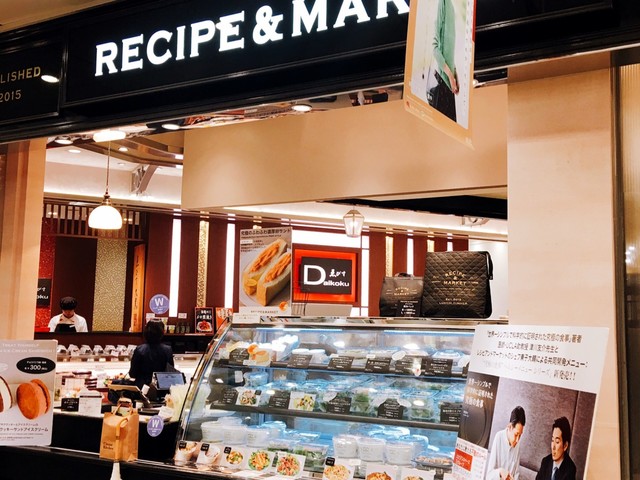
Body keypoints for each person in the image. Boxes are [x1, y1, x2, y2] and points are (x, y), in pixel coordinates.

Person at [428, 0, 459, 122]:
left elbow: (450, 49)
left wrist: (454, 74)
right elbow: (434, 48)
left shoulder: (451, 6)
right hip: (443, 80)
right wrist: (450, 76)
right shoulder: (442, 3)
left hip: (450, 84)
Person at [128, 320, 175, 389]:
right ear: (162, 332)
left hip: (142, 388)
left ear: (146, 332)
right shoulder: (168, 350)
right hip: (161, 388)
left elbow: (132, 374)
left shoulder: (139, 350)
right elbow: (170, 373)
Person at [486, 406, 527, 480]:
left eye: (520, 435)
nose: (517, 440)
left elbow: (516, 474)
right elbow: (489, 476)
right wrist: (500, 472)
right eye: (516, 434)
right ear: (510, 427)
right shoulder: (499, 437)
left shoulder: (517, 444)